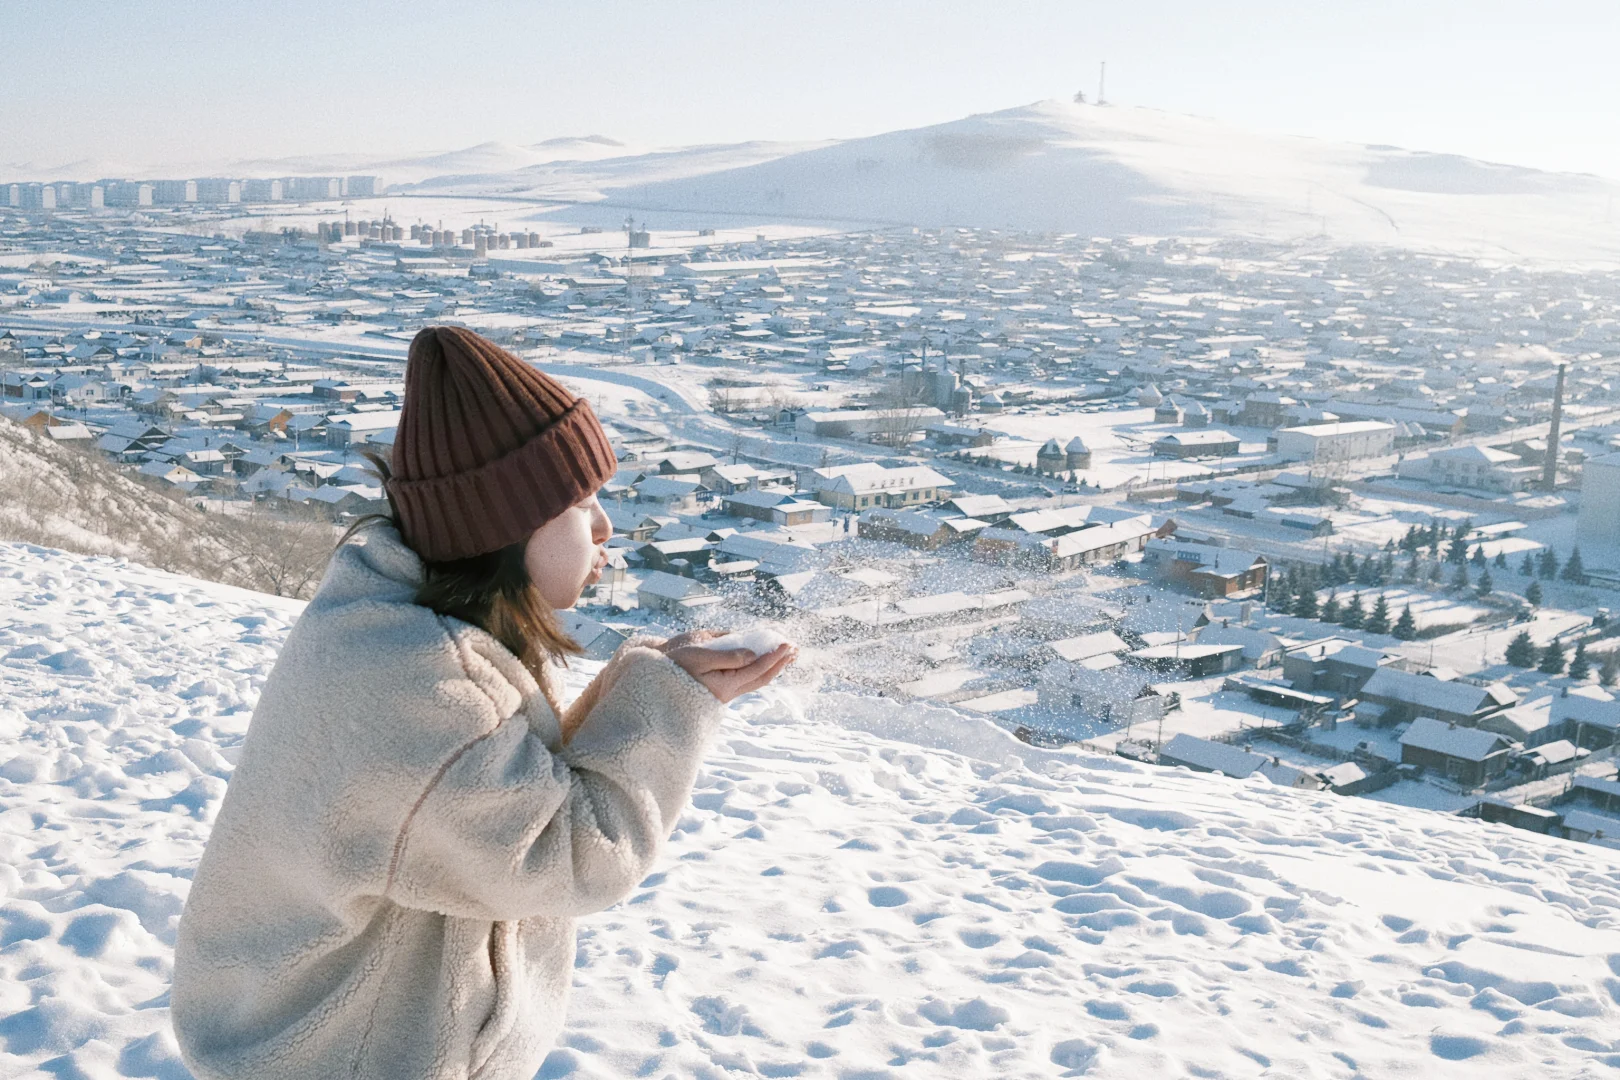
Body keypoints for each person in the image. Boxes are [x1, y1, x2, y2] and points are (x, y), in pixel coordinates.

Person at [172, 327, 795, 1080]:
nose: (605, 527)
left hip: (308, 1033)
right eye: (578, 502)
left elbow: (503, 785)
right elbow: (572, 856)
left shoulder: (389, 627)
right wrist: (667, 702)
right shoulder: (424, 690)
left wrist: (650, 677)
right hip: (346, 1057)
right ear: (502, 526)